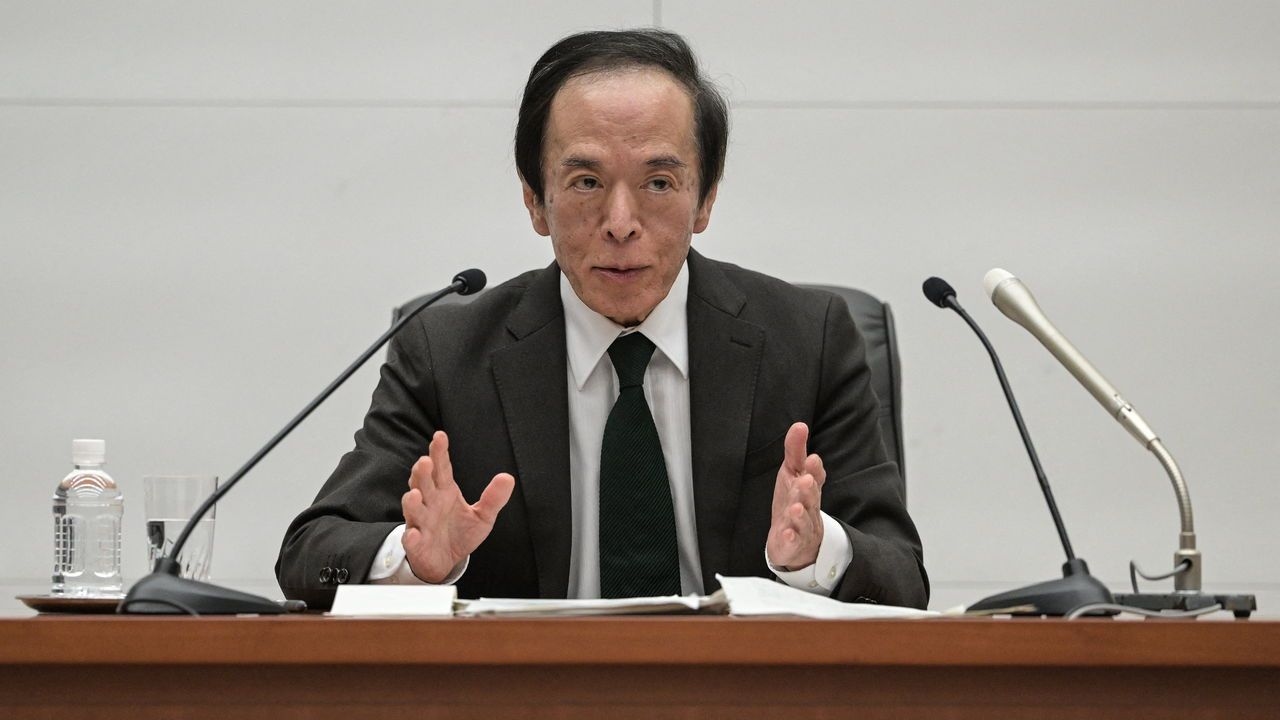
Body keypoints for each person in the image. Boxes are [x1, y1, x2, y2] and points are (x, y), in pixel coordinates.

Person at [276, 29, 928, 609]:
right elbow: (311, 553)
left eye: (659, 183)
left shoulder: (807, 338)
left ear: (706, 199)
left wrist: (817, 552)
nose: (621, 223)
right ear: (535, 200)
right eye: (587, 182)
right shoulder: (447, 352)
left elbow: (902, 577)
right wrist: (413, 563)